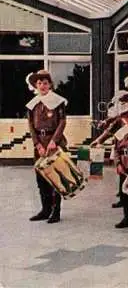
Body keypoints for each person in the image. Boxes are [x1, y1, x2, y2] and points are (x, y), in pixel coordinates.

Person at [26, 70, 68, 224]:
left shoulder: (58, 101)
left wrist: (54, 141)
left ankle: (55, 211)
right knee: (41, 177)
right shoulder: (33, 104)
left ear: (50, 84)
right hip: (40, 144)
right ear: (36, 86)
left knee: (55, 177)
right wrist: (37, 144)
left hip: (53, 143)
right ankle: (45, 209)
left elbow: (62, 122)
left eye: (45, 83)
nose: (42, 86)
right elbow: (30, 125)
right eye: (39, 83)